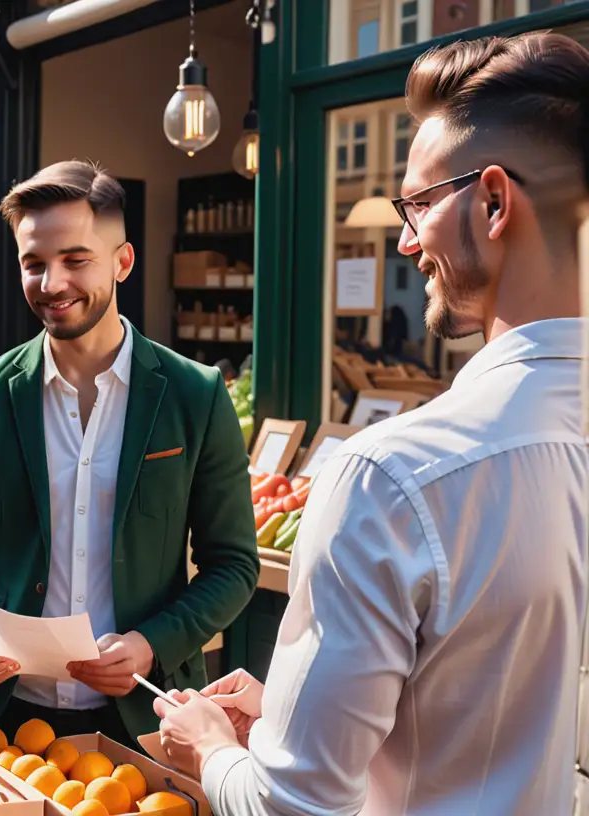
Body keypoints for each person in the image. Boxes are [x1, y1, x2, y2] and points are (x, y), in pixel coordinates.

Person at [155, 33, 589, 815]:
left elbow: (294, 807)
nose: (404, 239)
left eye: (418, 203)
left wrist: (212, 748)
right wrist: (299, 712)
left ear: (493, 202)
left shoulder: (391, 474)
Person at [0, 161, 259, 748]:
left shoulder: (194, 395)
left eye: (75, 260)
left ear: (122, 262)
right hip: (0, 718)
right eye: (34, 264)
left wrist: (153, 643)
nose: (52, 283)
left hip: (146, 719)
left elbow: (233, 563)